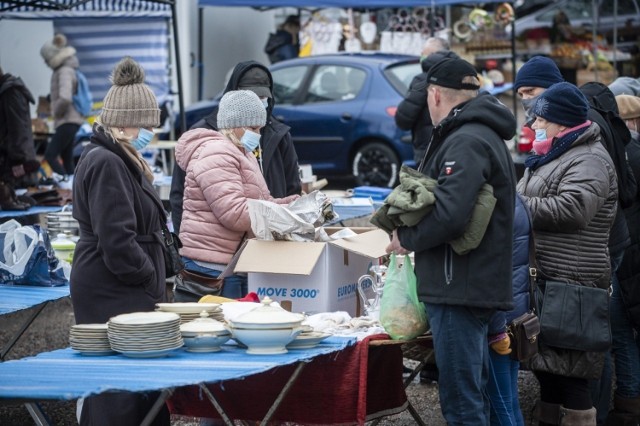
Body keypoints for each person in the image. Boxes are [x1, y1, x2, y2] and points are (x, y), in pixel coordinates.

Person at [385, 57, 517, 424]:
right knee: (474, 393)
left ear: (435, 94)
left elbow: (450, 215)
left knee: (462, 403)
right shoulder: (475, 133)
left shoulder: (467, 139)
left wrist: (405, 239)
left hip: (460, 285)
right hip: (468, 282)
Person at [71, 56, 170, 426]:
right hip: (113, 287)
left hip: (120, 284)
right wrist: (148, 277)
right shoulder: (108, 162)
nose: (149, 131)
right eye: (145, 123)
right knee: (117, 390)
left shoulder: (118, 157)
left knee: (134, 385)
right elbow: (117, 242)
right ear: (124, 121)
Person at [517, 82, 618, 425]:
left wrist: (516, 206)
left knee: (572, 374)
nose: (536, 124)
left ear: (561, 122)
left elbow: (573, 209)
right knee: (549, 370)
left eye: (542, 118)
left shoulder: (589, 158)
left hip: (574, 281)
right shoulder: (552, 154)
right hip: (549, 277)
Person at [175, 90, 299, 300]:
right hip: (212, 265)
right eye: (252, 128)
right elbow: (235, 214)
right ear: (233, 125)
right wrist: (285, 212)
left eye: (259, 129)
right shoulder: (217, 153)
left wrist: (294, 204)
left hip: (231, 260)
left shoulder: (242, 153)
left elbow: (262, 202)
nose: (257, 135)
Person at [170, 60, 301, 235]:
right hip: (217, 246)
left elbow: (291, 185)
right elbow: (180, 195)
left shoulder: (279, 134)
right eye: (252, 96)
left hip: (268, 238)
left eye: (263, 98)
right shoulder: (206, 136)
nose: (258, 102)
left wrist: (293, 207)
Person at [607, 93, 640, 425]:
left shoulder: (622, 152)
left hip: (623, 254)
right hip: (629, 252)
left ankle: (629, 399)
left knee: (620, 332)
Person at [486, 194, 531, 426]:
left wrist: (495, 328)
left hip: (500, 321)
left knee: (501, 405)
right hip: (514, 315)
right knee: (509, 402)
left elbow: (493, 271)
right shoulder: (514, 198)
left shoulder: (494, 203)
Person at [394, 37, 458, 164]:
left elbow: (403, 119)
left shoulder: (423, 80)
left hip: (428, 150)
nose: (421, 56)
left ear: (433, 55)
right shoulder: (460, 76)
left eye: (423, 53)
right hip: (455, 147)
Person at [40, 33, 84, 178]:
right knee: (67, 159)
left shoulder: (64, 71)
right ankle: (74, 188)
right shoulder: (67, 68)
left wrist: (55, 111)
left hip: (67, 120)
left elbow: (65, 97)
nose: (45, 63)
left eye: (46, 59)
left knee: (50, 155)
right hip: (71, 120)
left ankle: (65, 183)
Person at [0, 66, 40, 210]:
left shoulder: (10, 93)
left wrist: (18, 158)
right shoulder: (9, 91)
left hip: (15, 156)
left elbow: (17, 129)